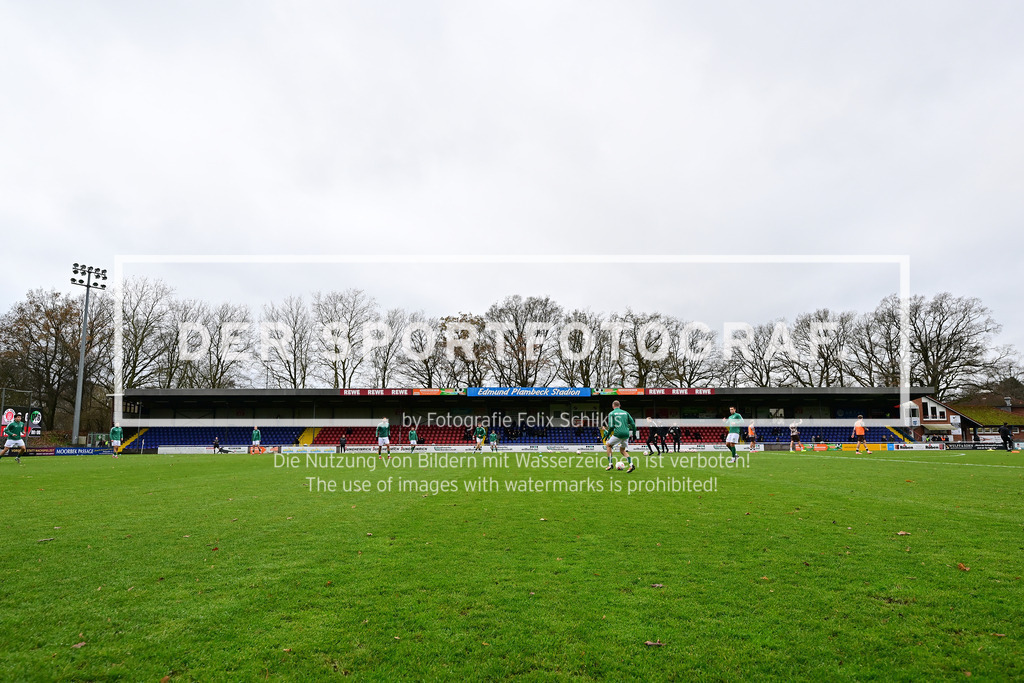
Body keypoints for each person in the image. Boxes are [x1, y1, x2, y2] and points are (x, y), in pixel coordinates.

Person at [604, 400, 636, 473]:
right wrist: (634, 434)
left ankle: (610, 464)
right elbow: (633, 424)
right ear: (620, 405)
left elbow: (611, 426)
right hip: (626, 434)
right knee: (622, 450)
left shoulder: (611, 413)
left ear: (613, 406)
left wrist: (608, 434)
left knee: (608, 445)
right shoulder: (626, 412)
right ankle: (631, 465)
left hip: (618, 433)